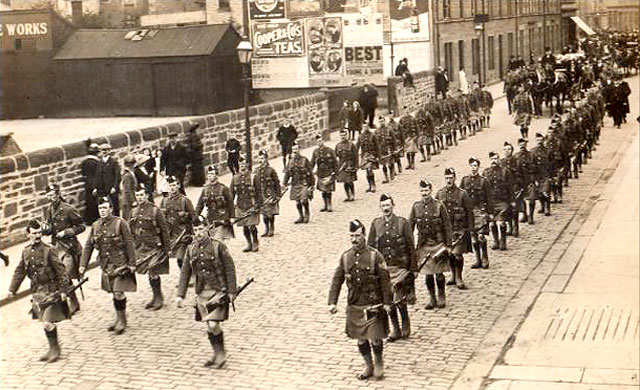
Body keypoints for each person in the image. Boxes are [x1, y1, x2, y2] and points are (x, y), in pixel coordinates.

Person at [328, 219, 392, 381]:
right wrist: (332, 302)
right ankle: (368, 365)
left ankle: (378, 364)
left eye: (357, 235)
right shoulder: (346, 257)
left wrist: (387, 302)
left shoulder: (374, 256)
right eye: (351, 236)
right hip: (355, 303)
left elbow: (385, 280)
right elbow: (337, 279)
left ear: (364, 236)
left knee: (375, 337)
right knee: (360, 338)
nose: (354, 239)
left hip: (373, 304)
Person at [7, 219, 72, 363]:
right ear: (28, 234)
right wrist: (12, 289)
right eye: (34, 233)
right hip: (38, 291)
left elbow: (61, 271)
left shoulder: (49, 250)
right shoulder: (25, 252)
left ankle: (55, 349)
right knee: (45, 322)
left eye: (39, 233)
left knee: (47, 321)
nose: (37, 235)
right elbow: (20, 272)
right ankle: (52, 348)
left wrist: (63, 290)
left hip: (52, 290)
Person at [176, 215, 237, 369]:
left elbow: (230, 268)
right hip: (202, 293)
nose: (198, 233)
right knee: (209, 326)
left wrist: (231, 291)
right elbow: (185, 272)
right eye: (195, 230)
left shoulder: (219, 246)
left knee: (214, 324)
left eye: (201, 229)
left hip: (219, 291)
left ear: (208, 228)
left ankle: (221, 354)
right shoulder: (191, 249)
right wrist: (180, 295)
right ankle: (216, 354)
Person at [80, 197, 137, 335]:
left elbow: (129, 243)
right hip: (106, 265)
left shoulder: (120, 223)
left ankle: (122, 320)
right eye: (100, 208)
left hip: (120, 264)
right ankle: (118, 318)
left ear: (111, 208)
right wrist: (83, 265)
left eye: (105, 208)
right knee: (113, 291)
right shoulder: (95, 225)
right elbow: (88, 246)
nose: (102, 211)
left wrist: (132, 263)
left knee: (118, 291)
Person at [368, 193, 416, 342]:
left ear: (393, 206)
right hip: (384, 269)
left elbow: (410, 246)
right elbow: (371, 249)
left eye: (388, 205)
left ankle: (405, 323)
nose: (386, 208)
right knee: (388, 300)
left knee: (399, 298)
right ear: (380, 207)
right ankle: (395, 328)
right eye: (383, 206)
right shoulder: (376, 224)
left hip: (400, 266)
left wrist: (413, 268)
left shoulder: (403, 223)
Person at [409, 179, 452, 309]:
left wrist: (448, 245)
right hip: (424, 245)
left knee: (439, 273)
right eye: (422, 190)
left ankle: (441, 295)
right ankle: (432, 298)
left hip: (438, 244)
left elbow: (447, 226)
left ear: (431, 191)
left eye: (426, 190)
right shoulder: (416, 207)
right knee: (428, 274)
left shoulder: (439, 206)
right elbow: (410, 226)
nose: (424, 193)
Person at [42, 184, 85, 314]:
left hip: (68, 248)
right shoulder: (49, 210)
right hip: (56, 248)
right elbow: (50, 228)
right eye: (48, 196)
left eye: (53, 195)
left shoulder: (68, 209)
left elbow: (81, 226)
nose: (51, 198)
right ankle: (74, 301)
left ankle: (72, 302)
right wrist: (46, 230)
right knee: (60, 275)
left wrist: (66, 232)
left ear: (58, 194)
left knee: (65, 274)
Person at [130, 185, 170, 310]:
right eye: (137, 195)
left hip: (155, 246)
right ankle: (155, 296)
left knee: (153, 271)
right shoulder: (133, 211)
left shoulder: (155, 210)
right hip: (142, 247)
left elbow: (164, 230)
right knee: (149, 272)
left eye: (141, 195)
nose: (139, 197)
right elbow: (130, 230)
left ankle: (159, 298)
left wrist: (167, 248)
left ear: (147, 195)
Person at [435, 168, 474, 289]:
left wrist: (470, 229)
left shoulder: (462, 194)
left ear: (455, 178)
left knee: (458, 254)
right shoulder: (440, 193)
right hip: (447, 231)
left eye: (451, 178)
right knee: (450, 254)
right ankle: (453, 275)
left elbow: (469, 212)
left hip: (459, 229)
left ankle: (459, 277)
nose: (448, 180)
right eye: (446, 178)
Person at [460, 158, 494, 269]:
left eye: (475, 165)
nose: (473, 168)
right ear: (469, 167)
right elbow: (460, 197)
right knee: (473, 237)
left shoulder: (484, 181)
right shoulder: (465, 180)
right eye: (471, 165)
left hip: (480, 211)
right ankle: (478, 259)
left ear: (478, 167)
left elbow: (489, 198)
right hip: (469, 213)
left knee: (481, 236)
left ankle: (485, 258)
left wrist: (490, 213)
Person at [160, 176, 196, 269]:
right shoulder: (164, 201)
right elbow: (160, 217)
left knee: (183, 257)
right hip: (172, 235)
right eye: (170, 185)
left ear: (178, 186)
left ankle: (189, 277)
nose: (172, 187)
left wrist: (186, 216)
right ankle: (186, 277)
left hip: (184, 234)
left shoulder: (185, 200)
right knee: (179, 258)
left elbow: (193, 217)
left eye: (174, 185)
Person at [483, 152, 513, 250]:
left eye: (496, 158)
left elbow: (510, 187)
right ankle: (496, 241)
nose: (494, 161)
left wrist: (511, 201)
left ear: (499, 160)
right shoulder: (486, 172)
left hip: (502, 201)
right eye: (492, 159)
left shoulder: (505, 171)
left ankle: (503, 241)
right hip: (491, 202)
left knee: (502, 222)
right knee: (492, 223)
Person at [195, 166, 235, 240]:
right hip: (210, 218)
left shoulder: (223, 188)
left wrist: (232, 217)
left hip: (222, 218)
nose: (210, 176)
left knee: (218, 241)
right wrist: (196, 216)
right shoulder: (205, 189)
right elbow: (200, 204)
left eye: (212, 174)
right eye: (208, 174)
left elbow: (230, 203)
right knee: (212, 241)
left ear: (216, 175)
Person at [230, 158, 260, 252]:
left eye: (243, 163)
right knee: (244, 226)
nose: (242, 165)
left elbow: (259, 192)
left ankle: (255, 241)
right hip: (240, 205)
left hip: (251, 204)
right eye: (240, 163)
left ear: (246, 164)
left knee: (252, 226)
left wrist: (258, 205)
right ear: (238, 165)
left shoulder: (253, 177)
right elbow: (231, 194)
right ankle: (249, 243)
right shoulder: (235, 178)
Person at [283, 142, 314, 224]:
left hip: (304, 182)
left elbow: (310, 173)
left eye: (296, 149)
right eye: (293, 149)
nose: (295, 151)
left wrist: (312, 185)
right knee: (297, 201)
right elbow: (287, 173)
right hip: (295, 183)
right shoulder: (290, 162)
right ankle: (301, 216)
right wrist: (284, 183)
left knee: (304, 200)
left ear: (299, 150)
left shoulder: (305, 160)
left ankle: (307, 213)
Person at [253, 150, 281, 237]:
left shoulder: (271, 170)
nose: (261, 160)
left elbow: (276, 182)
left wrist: (278, 195)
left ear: (266, 159)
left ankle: (271, 227)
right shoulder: (256, 170)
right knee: (264, 215)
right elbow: (254, 183)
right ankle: (266, 229)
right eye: (259, 158)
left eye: (262, 158)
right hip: (261, 195)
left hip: (269, 195)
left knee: (270, 214)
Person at [311, 134, 339, 212]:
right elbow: (312, 163)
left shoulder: (329, 150)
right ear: (316, 143)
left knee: (328, 190)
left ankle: (329, 204)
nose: (319, 142)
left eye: (320, 141)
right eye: (318, 141)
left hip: (329, 172)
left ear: (323, 141)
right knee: (323, 190)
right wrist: (310, 171)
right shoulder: (315, 152)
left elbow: (335, 162)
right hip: (320, 173)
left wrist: (336, 173)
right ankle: (325, 205)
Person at [501, 142, 522, 237]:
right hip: (505, 189)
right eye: (505, 149)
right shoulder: (501, 162)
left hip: (515, 187)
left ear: (512, 150)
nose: (507, 151)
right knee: (508, 209)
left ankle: (516, 227)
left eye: (509, 149)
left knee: (514, 209)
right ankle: (510, 227)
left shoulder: (517, 161)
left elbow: (522, 175)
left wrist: (520, 186)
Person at [515, 138, 537, 225]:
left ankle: (531, 216)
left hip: (530, 180)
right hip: (520, 181)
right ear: (518, 145)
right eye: (520, 145)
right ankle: (524, 214)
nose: (522, 146)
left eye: (523, 144)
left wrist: (535, 179)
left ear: (526, 145)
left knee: (532, 199)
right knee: (521, 199)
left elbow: (537, 168)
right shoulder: (515, 156)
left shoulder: (531, 155)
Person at [94, 143, 121, 217]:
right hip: (101, 188)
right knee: (102, 204)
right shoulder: (99, 162)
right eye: (103, 150)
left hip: (111, 188)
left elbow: (117, 176)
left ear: (109, 151)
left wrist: (114, 187)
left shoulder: (113, 162)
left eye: (106, 150)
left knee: (114, 205)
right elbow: (97, 176)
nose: (104, 152)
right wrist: (95, 187)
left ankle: (116, 220)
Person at [334, 128, 359, 202]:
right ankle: (348, 195)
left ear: (347, 135)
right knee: (344, 181)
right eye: (341, 135)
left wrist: (356, 166)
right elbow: (335, 157)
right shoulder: (338, 146)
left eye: (344, 135)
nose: (343, 137)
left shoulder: (351, 145)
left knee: (349, 181)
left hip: (350, 165)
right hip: (342, 166)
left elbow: (356, 156)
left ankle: (352, 195)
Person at [80, 142, 101, 224]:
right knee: (94, 203)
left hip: (88, 185)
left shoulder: (85, 162)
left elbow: (84, 174)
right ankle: (93, 219)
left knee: (89, 202)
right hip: (94, 185)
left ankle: (88, 219)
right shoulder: (96, 163)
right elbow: (97, 175)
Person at [357, 124, 380, 193]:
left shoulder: (372, 135)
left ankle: (373, 185)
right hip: (364, 155)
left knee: (370, 169)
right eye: (363, 127)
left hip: (371, 155)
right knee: (367, 171)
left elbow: (377, 146)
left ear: (368, 127)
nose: (365, 128)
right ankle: (370, 185)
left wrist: (378, 156)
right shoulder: (360, 136)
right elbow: (357, 146)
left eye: (366, 126)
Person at [375, 116, 397, 183]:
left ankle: (392, 173)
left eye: (382, 121)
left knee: (390, 164)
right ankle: (386, 177)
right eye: (380, 121)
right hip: (381, 149)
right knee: (384, 165)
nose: (381, 122)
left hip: (389, 148)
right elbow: (375, 142)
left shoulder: (389, 129)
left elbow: (394, 139)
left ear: (384, 121)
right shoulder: (377, 131)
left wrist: (395, 149)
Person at [120, 155, 138, 221]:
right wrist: (133, 200)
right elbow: (127, 189)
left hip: (129, 199)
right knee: (129, 218)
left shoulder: (129, 173)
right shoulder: (127, 175)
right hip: (128, 200)